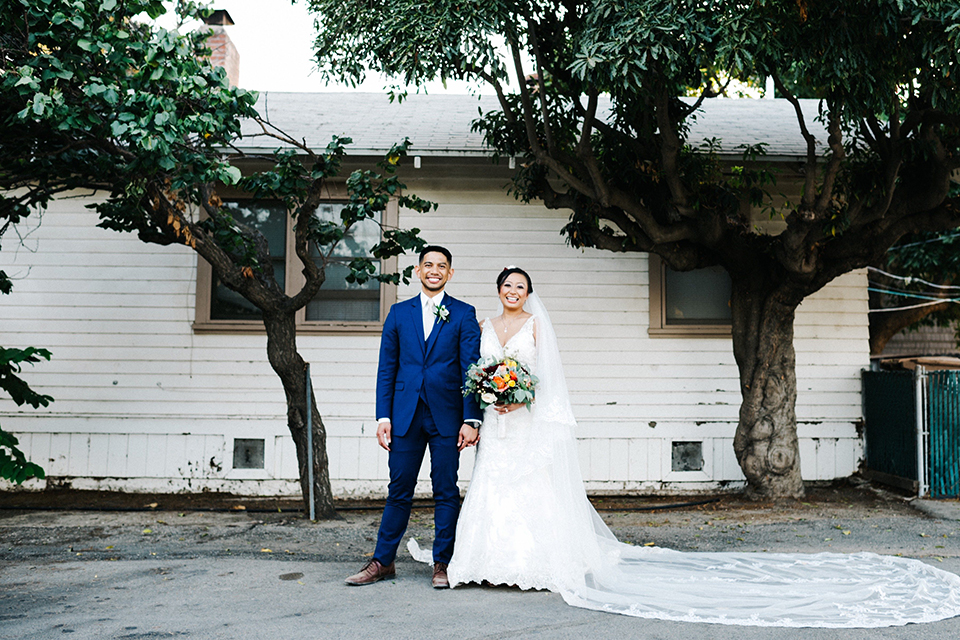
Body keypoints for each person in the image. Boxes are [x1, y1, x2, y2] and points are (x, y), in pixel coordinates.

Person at [409, 266, 960, 628]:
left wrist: (519, 397)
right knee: (493, 486)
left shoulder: (535, 325)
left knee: (529, 489)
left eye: (520, 288)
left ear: (529, 294)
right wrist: (489, 400)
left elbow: (544, 378)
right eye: (507, 287)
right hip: (496, 425)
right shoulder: (481, 323)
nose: (513, 294)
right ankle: (484, 561)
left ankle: (533, 564)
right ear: (497, 291)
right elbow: (475, 371)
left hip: (526, 421)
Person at [345, 246, 482, 589]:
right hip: (405, 415)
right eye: (428, 265)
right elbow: (386, 368)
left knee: (446, 490)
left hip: (448, 416)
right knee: (399, 489)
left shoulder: (463, 314)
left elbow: (472, 370)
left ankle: (443, 563)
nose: (434, 270)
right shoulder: (398, 313)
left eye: (442, 266)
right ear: (418, 270)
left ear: (450, 273)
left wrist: (471, 419)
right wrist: (383, 416)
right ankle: (383, 561)